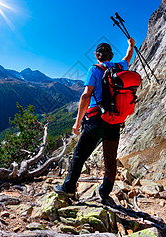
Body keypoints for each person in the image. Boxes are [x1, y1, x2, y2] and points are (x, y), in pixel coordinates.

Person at [54, 38, 135, 200]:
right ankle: (105, 192)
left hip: (95, 120)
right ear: (111, 55)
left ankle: (69, 187)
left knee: (79, 155)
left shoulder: (94, 70)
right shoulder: (120, 67)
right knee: (110, 158)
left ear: (97, 56)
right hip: (115, 120)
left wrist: (77, 123)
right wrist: (130, 45)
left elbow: (85, 96)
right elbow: (127, 58)